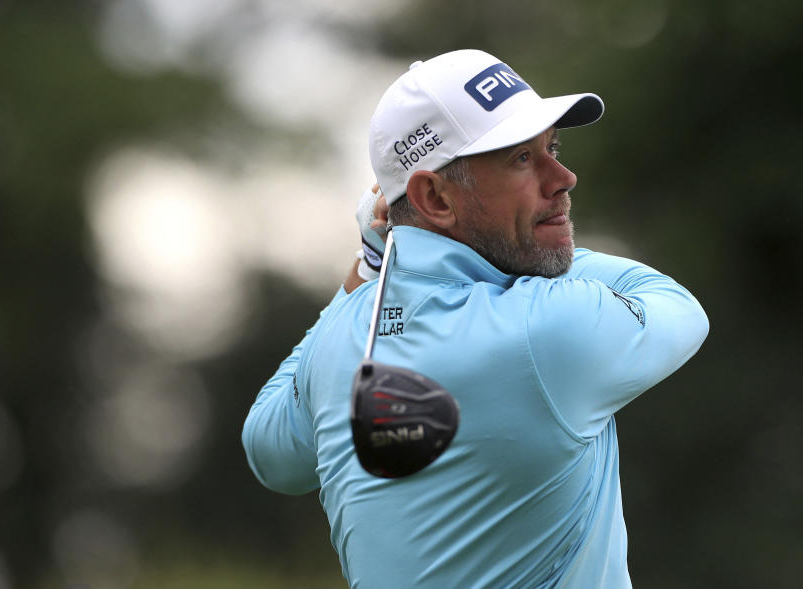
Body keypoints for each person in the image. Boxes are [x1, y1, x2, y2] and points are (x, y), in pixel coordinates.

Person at [242, 49, 709, 588]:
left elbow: (272, 454)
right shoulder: (548, 326)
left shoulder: (344, 336)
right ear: (435, 197)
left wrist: (374, 269)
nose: (563, 177)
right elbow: (677, 306)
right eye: (521, 159)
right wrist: (519, 255)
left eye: (551, 148)